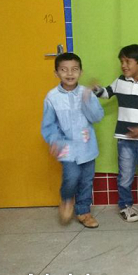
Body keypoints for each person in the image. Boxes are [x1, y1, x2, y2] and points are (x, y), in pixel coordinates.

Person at [93, 44, 138, 223]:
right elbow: (107, 93)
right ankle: (125, 205)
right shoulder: (120, 81)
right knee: (125, 175)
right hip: (124, 138)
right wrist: (96, 90)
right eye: (121, 62)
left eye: (127, 61)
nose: (123, 65)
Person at [41, 53, 105, 228]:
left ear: (81, 72)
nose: (69, 74)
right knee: (72, 176)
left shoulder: (86, 93)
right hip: (66, 146)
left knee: (86, 180)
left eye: (74, 69)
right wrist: (54, 140)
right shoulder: (52, 97)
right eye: (64, 70)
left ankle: (84, 211)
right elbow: (49, 124)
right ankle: (67, 198)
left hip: (87, 145)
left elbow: (97, 117)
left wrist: (87, 100)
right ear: (56, 73)